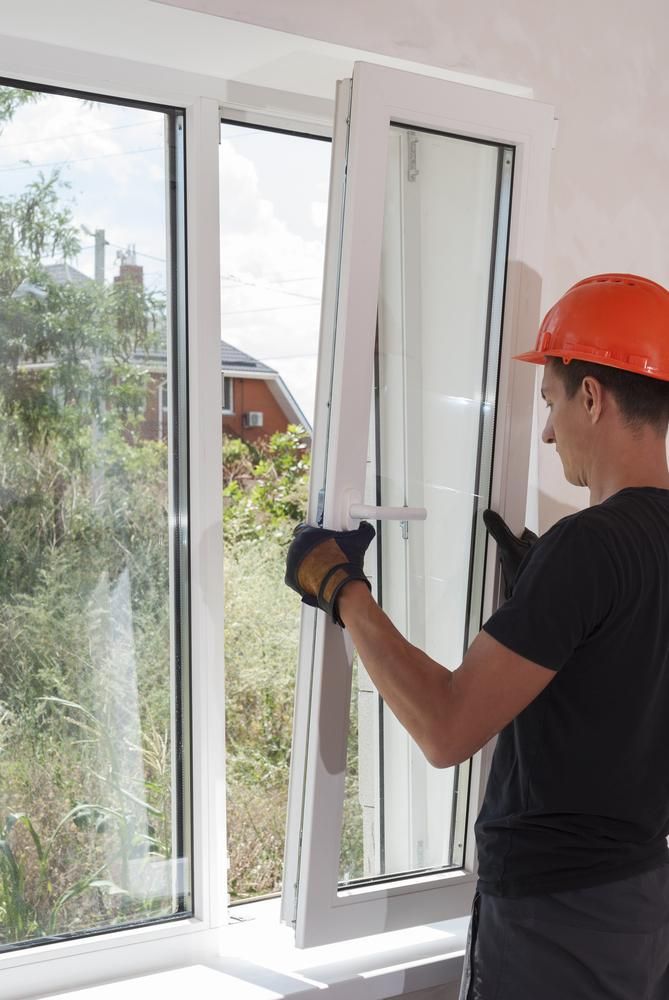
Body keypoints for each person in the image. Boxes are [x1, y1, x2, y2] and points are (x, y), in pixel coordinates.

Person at [285, 273, 669, 998]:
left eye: (551, 402)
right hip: (640, 901)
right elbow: (626, 680)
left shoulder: (586, 549)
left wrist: (342, 590)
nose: (549, 430)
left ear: (592, 396)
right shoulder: (621, 550)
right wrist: (547, 606)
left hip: (557, 918)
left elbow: (445, 729)